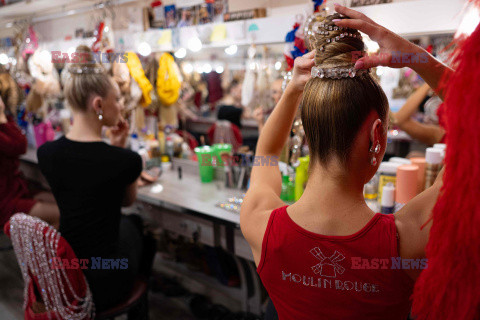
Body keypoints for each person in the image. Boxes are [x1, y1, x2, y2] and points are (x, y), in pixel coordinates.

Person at [240, 5, 452, 320]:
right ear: (377, 136)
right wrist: (416, 57)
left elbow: (267, 152)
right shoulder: (407, 240)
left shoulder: (260, 224)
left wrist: (294, 88)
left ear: (308, 135)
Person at [37, 52, 153, 312]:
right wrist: (120, 150)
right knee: (137, 225)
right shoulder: (126, 160)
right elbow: (127, 201)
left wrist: (117, 148)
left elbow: (84, 196)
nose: (121, 106)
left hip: (66, 272)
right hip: (104, 278)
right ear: (99, 104)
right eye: (118, 99)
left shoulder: (47, 155)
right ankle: (139, 309)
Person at [0, 95, 60, 229]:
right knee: (60, 214)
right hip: (5, 201)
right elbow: (19, 146)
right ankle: (42, 250)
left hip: (18, 190)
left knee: (64, 202)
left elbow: (20, 140)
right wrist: (3, 119)